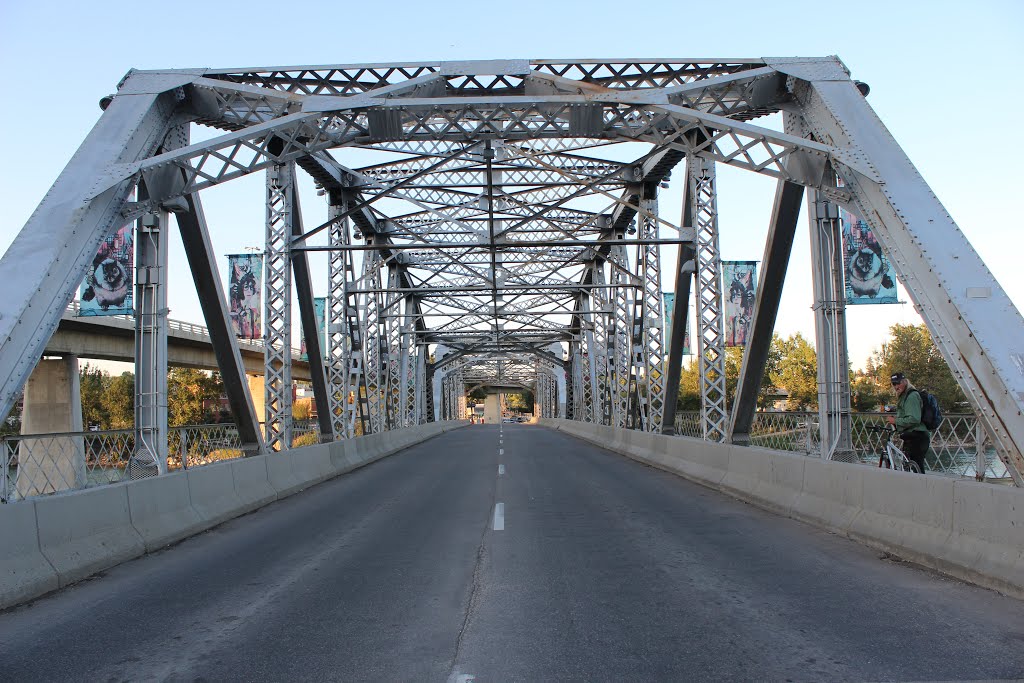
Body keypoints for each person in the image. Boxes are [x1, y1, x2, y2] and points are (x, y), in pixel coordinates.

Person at [887, 372, 929, 472]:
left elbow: (914, 419)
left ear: (905, 381)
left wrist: (896, 421)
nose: (896, 386)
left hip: (917, 436)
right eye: (894, 384)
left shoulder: (911, 396)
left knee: (917, 468)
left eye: (899, 383)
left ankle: (920, 487)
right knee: (911, 466)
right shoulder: (904, 396)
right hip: (912, 435)